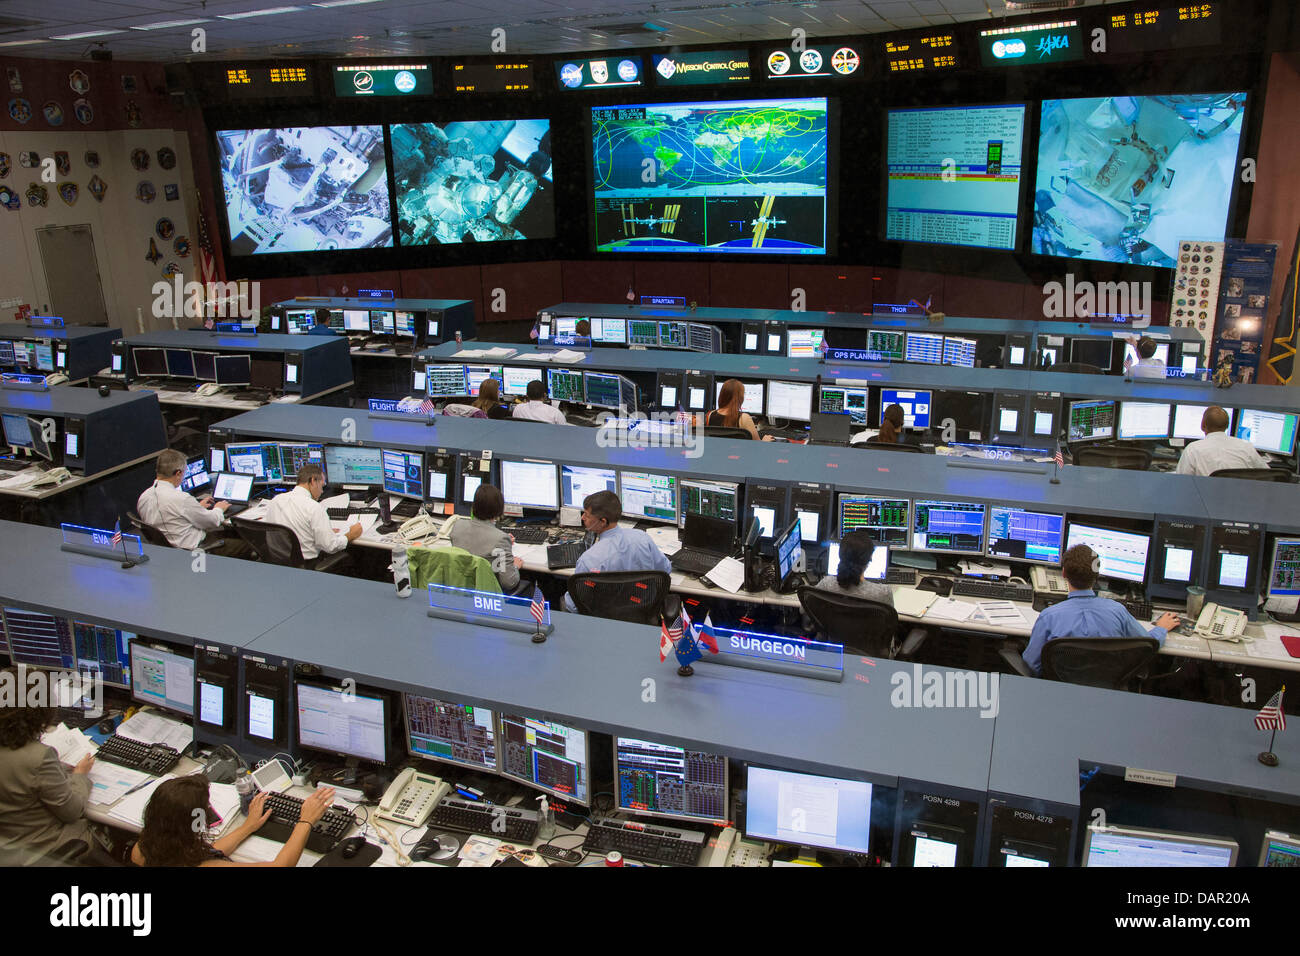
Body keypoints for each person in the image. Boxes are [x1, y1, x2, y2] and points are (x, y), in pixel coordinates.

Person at [1021, 544, 1179, 676]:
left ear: (1063, 574)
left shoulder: (1049, 616)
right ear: (1097, 576)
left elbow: (1031, 663)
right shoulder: (1117, 611)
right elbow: (1148, 644)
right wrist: (1161, 628)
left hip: (1060, 692)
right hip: (1106, 689)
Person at [0, 670, 101, 865]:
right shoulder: (38, 757)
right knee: (105, 832)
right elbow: (72, 811)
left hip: (6, 848)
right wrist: (80, 775)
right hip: (39, 851)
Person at [131, 774, 337, 867]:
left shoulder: (143, 848)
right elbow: (281, 865)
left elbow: (207, 853)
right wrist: (306, 820)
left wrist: (247, 827)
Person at [564, 490, 671, 612]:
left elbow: (573, 606)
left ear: (603, 521)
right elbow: (665, 570)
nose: (582, 517)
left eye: (587, 515)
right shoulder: (643, 538)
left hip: (603, 619)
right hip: (643, 612)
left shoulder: (588, 559)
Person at [264, 464, 362, 567]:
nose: (322, 491)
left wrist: (323, 532)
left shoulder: (275, 501)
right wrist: (351, 535)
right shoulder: (314, 507)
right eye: (322, 485)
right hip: (307, 565)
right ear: (313, 481)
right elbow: (331, 546)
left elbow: (291, 531)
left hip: (279, 564)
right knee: (352, 559)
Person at [137, 449, 234, 551]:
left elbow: (169, 517)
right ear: (178, 473)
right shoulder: (182, 499)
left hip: (167, 550)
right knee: (244, 545)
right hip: (196, 550)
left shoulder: (144, 497)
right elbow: (212, 521)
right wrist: (219, 509)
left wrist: (197, 508)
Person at [450, 483, 524, 592]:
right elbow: (508, 582)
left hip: (461, 592)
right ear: (498, 509)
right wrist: (516, 566)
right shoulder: (500, 539)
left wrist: (500, 539)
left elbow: (474, 541)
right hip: (488, 596)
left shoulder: (457, 526)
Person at [1175, 406, 1268, 476]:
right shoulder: (1247, 447)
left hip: (1205, 499)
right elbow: (1268, 475)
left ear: (1202, 425)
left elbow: (1181, 481)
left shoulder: (1193, 449)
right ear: (1227, 426)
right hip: (1240, 499)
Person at [816, 531, 893, 607]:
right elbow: (890, 618)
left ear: (840, 556)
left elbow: (804, 607)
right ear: (869, 559)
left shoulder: (826, 585)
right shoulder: (883, 593)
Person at [706, 379, 772, 441]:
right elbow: (757, 445)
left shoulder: (710, 415)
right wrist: (764, 441)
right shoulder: (744, 418)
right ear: (740, 398)